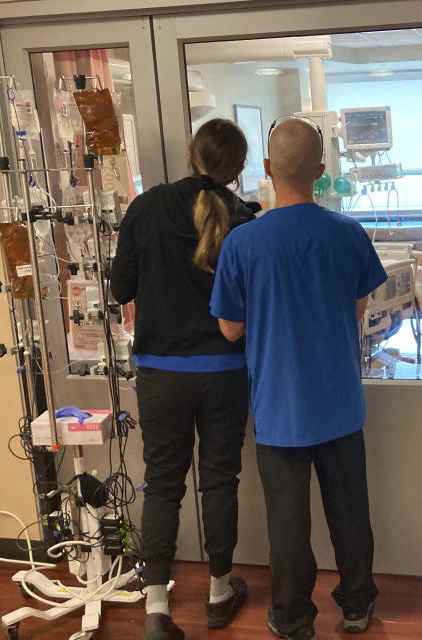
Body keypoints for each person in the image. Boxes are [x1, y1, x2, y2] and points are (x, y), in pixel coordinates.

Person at [210, 117, 386, 640]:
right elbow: (357, 309)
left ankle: (291, 618)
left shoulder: (243, 244)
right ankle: (356, 606)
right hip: (338, 404)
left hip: (279, 409)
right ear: (320, 170)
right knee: (350, 513)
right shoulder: (348, 233)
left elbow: (229, 328)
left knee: (288, 525)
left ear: (266, 169)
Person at [111, 118, 259, 640]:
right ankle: (219, 592)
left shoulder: (146, 207)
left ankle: (156, 608)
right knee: (220, 479)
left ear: (192, 154)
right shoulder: (243, 218)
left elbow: (120, 288)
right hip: (224, 371)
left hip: (162, 374)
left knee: (163, 483)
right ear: (238, 167)